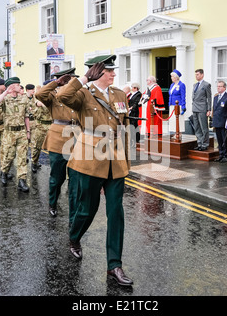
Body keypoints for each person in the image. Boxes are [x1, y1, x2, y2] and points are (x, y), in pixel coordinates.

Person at [57, 55, 133, 287]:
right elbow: (62, 96)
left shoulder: (119, 94)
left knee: (116, 213)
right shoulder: (82, 93)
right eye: (108, 70)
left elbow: (124, 124)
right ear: (96, 72)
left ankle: (114, 265)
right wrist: (82, 79)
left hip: (115, 158)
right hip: (90, 157)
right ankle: (74, 237)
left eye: (112, 70)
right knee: (86, 210)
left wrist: (126, 158)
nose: (113, 74)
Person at [35, 68, 80, 218]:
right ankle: (52, 203)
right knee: (57, 176)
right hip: (58, 139)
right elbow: (39, 94)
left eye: (72, 80)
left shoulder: (79, 95)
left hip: (78, 137)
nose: (71, 82)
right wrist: (55, 83)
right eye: (68, 80)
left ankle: (74, 207)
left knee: (76, 176)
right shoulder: (53, 96)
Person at [0, 77, 31, 192]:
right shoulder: (5, 98)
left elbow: (26, 117)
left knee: (22, 156)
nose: (20, 87)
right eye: (18, 85)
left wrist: (28, 132)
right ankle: (4, 171)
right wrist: (5, 92)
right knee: (9, 155)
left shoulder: (24, 99)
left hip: (22, 131)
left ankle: (22, 180)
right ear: (12, 86)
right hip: (9, 132)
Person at [212, 81, 227, 163]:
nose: (218, 88)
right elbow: (214, 110)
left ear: (224, 87)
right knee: (219, 140)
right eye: (217, 86)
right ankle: (221, 155)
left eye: (220, 86)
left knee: (225, 140)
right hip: (217, 122)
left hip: (225, 123)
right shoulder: (215, 98)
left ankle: (226, 156)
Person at [192, 69, 212, 151]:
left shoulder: (206, 85)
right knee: (197, 127)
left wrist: (209, 109)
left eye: (198, 74)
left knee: (204, 127)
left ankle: (205, 144)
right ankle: (199, 143)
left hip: (202, 108)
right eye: (195, 74)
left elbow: (209, 98)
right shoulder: (194, 85)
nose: (196, 76)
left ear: (202, 75)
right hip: (195, 108)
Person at [168, 69, 186, 134]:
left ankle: (179, 133)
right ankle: (175, 133)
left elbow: (183, 96)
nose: (171, 78)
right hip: (172, 105)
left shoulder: (181, 85)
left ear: (176, 77)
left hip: (179, 105)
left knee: (179, 120)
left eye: (172, 76)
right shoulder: (172, 85)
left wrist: (183, 106)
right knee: (173, 120)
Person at [128, 82, 142, 147]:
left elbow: (136, 103)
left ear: (136, 88)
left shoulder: (138, 94)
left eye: (133, 87)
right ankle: (133, 138)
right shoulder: (132, 94)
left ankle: (136, 139)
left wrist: (131, 108)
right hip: (131, 111)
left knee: (134, 125)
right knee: (131, 125)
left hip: (134, 112)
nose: (132, 89)